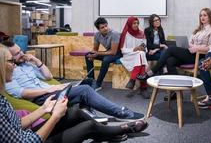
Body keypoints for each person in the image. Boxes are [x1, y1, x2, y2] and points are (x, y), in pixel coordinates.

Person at [0, 45, 148, 143]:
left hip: (45, 100)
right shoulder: (8, 85)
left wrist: (44, 109)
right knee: (86, 106)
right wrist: (55, 115)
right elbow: (26, 140)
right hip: (35, 128)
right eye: (11, 60)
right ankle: (120, 122)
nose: (18, 59)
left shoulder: (4, 97)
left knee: (79, 107)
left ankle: (104, 131)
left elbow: (48, 76)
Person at [138, 8, 211, 79]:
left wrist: (196, 47)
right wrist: (190, 45)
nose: (202, 17)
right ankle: (175, 89)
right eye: (200, 15)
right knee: (170, 60)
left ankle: (151, 72)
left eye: (205, 15)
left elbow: (210, 47)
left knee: (170, 49)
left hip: (198, 56)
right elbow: (190, 42)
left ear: (210, 17)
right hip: (190, 52)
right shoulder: (198, 29)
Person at [85, 17, 122, 90]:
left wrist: (97, 53)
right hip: (109, 51)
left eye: (106, 26)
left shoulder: (115, 34)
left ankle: (98, 84)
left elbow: (113, 52)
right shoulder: (97, 35)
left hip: (118, 53)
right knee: (87, 55)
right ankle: (91, 80)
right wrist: (92, 55)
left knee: (106, 60)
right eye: (102, 27)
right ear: (98, 29)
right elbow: (95, 49)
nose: (105, 28)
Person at [119, 16, 150, 99]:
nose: (136, 25)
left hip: (139, 55)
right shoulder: (125, 34)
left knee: (141, 54)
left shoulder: (142, 33)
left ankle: (132, 80)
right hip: (129, 55)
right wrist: (134, 49)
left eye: (137, 23)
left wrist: (143, 48)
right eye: (134, 23)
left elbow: (145, 48)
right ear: (129, 24)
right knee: (140, 55)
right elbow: (123, 50)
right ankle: (143, 88)